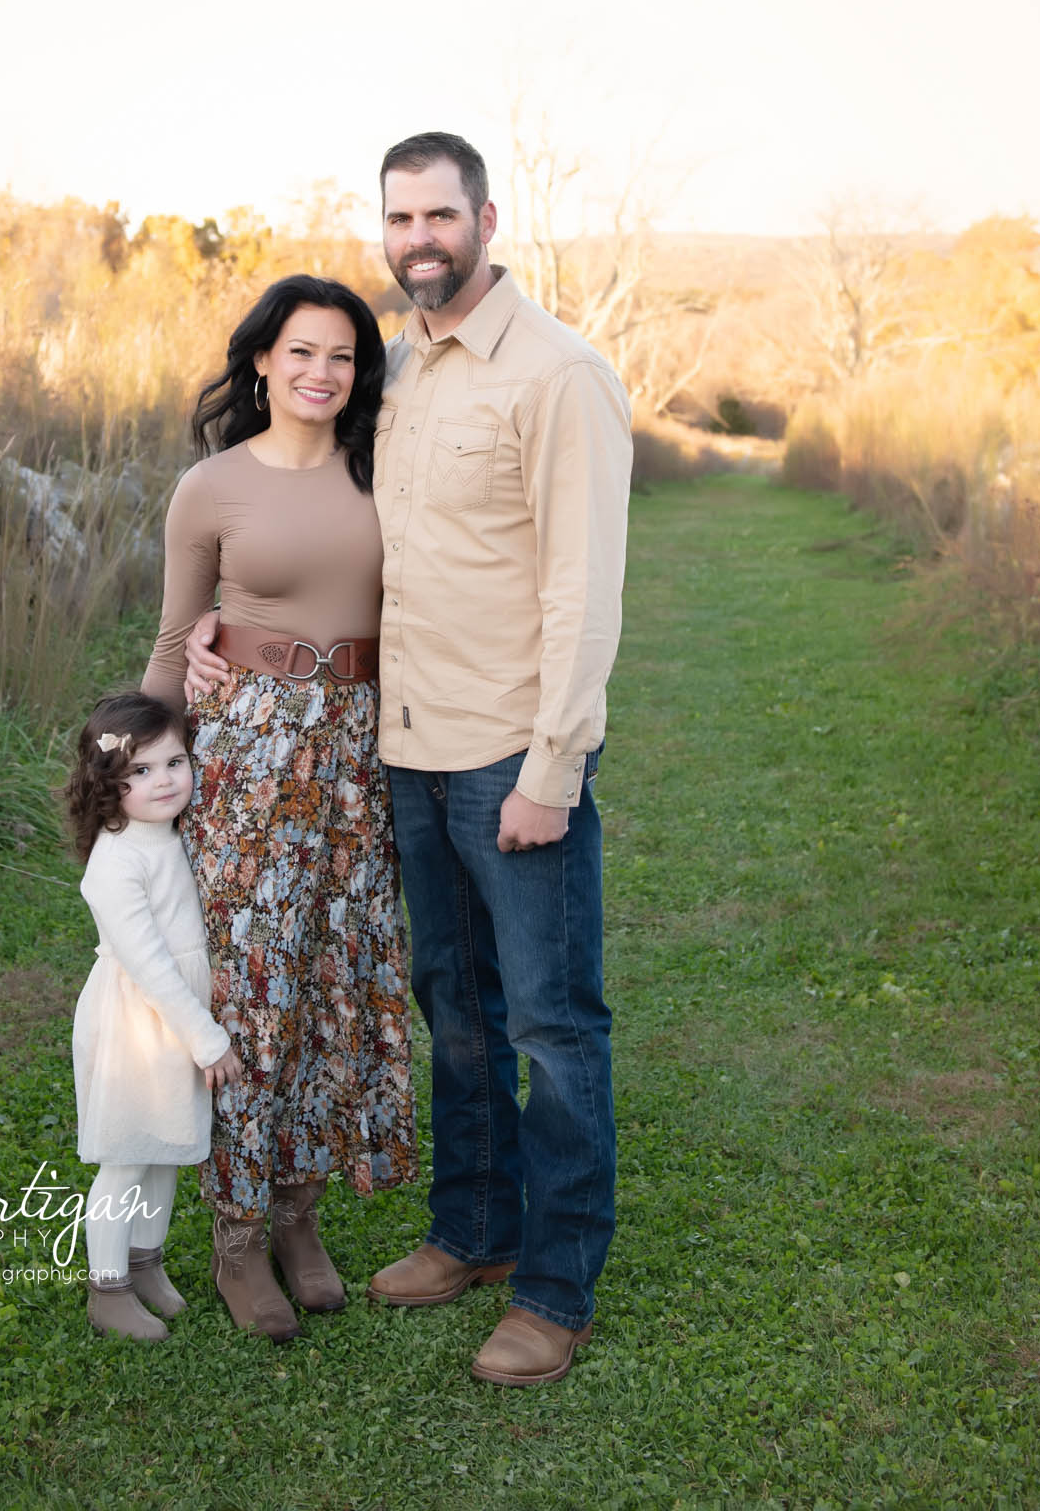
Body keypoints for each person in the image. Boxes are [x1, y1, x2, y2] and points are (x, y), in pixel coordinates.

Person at [187, 134, 632, 1387]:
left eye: (441, 213)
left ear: (487, 219)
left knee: (551, 1021)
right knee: (456, 1007)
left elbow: (583, 590)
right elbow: (323, 529)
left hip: (509, 751)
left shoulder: (559, 375)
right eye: (400, 217)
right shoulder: (398, 371)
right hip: (403, 748)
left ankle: (555, 1286)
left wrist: (553, 765)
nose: (420, 237)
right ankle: (475, 1229)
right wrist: (227, 629)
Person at [142, 273, 417, 1343]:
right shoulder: (211, 487)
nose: (321, 372)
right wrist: (129, 782)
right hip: (250, 756)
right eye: (301, 350)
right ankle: (238, 1235)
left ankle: (302, 1215)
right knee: (253, 989)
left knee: (338, 982)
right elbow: (176, 640)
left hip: (363, 750)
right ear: (261, 359)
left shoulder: (386, 468)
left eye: (342, 355)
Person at [64, 690, 242, 1343]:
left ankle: (146, 1264)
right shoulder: (116, 861)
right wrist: (206, 1037)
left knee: (167, 1148)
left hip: (174, 1018)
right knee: (128, 1157)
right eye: (140, 771)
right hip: (137, 1023)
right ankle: (107, 1287)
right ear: (108, 783)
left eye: (174, 763)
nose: (164, 781)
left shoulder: (169, 835)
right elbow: (150, 966)